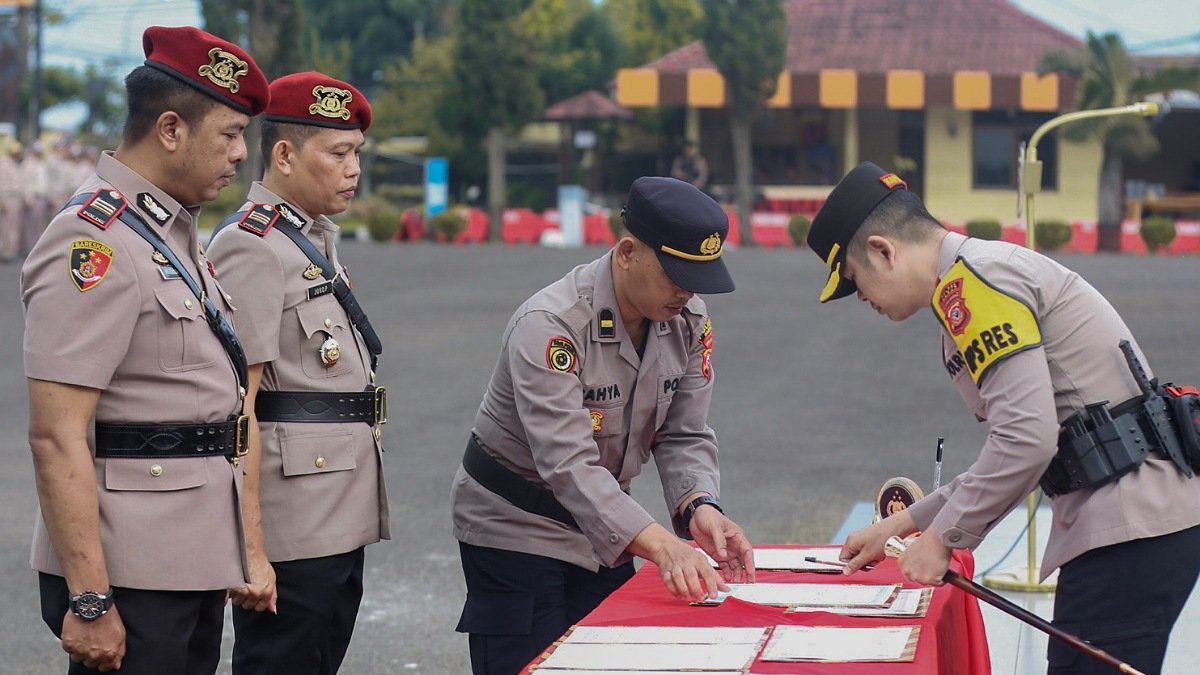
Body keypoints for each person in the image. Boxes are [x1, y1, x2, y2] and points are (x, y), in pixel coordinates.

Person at [807, 162, 1200, 674]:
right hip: (1141, 517)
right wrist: (903, 524)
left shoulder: (972, 287)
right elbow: (1024, 443)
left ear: (884, 250)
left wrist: (943, 540)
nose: (863, 298)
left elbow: (1026, 441)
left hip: (1130, 529)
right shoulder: (979, 273)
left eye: (857, 280)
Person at [21, 25, 269, 674]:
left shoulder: (170, 232)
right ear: (169, 130)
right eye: (230, 134)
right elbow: (56, 434)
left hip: (185, 558)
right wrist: (91, 597)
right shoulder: (94, 241)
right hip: (129, 572)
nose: (242, 155)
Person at [450, 175, 757, 675]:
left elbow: (684, 431)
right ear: (627, 252)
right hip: (515, 524)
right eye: (675, 273)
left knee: (608, 661)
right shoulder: (551, 325)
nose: (687, 291)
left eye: (698, 277)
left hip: (602, 531)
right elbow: (567, 462)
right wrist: (661, 545)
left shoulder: (688, 321)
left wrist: (699, 504)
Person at [206, 71, 390, 675]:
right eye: (338, 153)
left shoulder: (304, 238)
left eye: (356, 153)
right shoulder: (252, 245)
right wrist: (251, 549)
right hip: (294, 525)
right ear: (283, 154)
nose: (353, 168)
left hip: (333, 508)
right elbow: (240, 407)